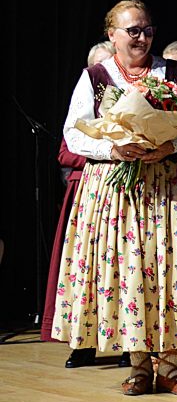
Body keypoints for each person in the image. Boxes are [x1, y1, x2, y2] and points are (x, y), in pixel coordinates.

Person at [52, 0, 177, 395]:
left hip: (170, 183)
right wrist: (113, 149)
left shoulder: (174, 72)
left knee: (175, 268)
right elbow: (74, 132)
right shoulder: (96, 76)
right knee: (130, 270)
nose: (142, 38)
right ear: (112, 35)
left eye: (148, 30)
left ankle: (173, 366)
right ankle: (139, 366)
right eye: (133, 31)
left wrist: (171, 143)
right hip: (120, 188)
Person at [45, 42, 115, 365]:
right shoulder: (85, 104)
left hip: (124, 191)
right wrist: (104, 151)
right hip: (88, 191)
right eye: (100, 66)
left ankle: (126, 345)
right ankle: (83, 342)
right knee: (87, 270)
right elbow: (66, 151)